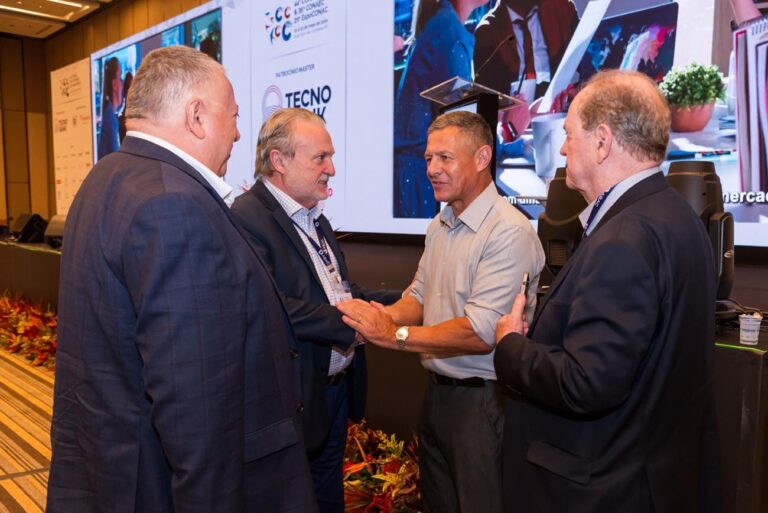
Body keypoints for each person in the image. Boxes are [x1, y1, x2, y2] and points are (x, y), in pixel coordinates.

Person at [47, 46, 316, 513]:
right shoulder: (175, 205)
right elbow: (197, 410)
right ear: (196, 116)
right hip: (162, 485)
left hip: (110, 469)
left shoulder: (106, 176)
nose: (237, 133)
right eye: (233, 116)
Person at [493, 70, 720, 512]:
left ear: (602, 141)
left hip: (602, 488)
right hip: (654, 477)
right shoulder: (677, 216)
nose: (562, 149)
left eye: (568, 135)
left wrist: (511, 347)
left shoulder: (622, 240)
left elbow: (587, 382)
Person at [338, 111, 545, 513]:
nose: (432, 169)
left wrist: (393, 336)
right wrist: (377, 318)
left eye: (445, 158)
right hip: (437, 396)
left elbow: (480, 332)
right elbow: (419, 296)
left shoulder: (508, 232)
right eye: (429, 158)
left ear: (482, 158)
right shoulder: (440, 224)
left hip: (484, 403)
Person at [230, 108, 401, 513]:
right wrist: (355, 325)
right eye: (320, 158)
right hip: (291, 399)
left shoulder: (313, 218)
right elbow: (270, 304)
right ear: (278, 161)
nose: (332, 169)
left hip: (330, 396)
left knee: (327, 500)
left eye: (331, 157)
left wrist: (406, 299)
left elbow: (337, 293)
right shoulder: (247, 217)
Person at [394, 0, 487, 219]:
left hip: (416, 181)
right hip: (419, 185)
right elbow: (463, 133)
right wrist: (511, 131)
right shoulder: (449, 34)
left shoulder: (442, 26)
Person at [473, 0, 577, 103]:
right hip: (515, 111)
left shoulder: (563, 9)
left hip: (564, 109)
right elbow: (487, 104)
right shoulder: (487, 33)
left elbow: (585, 66)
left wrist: (577, 90)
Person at [97, 56, 122, 159]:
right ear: (114, 84)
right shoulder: (110, 119)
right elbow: (117, 161)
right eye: (120, 77)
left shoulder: (108, 113)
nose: (122, 84)